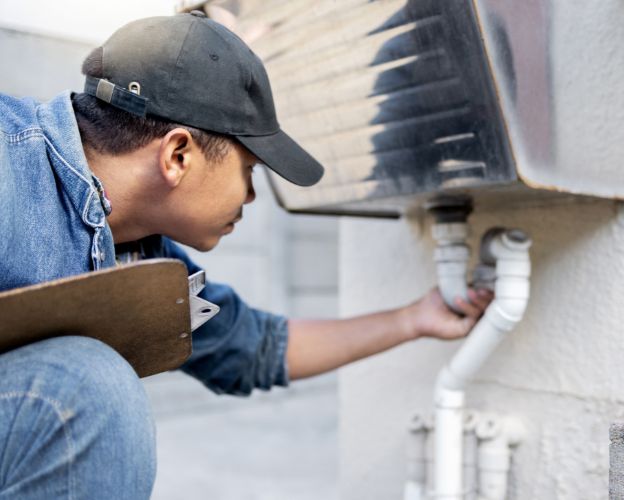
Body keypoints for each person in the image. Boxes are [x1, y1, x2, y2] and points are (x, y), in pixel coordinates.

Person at [0, 11, 492, 499]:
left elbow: (254, 347)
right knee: (91, 391)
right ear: (178, 156)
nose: (252, 196)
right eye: (251, 169)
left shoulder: (141, 255)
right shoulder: (9, 166)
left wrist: (413, 319)